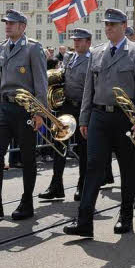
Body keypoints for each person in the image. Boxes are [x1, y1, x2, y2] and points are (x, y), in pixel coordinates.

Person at [63, 8, 135, 238]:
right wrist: (84, 118)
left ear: (124, 25)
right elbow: (88, 90)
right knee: (93, 167)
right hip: (99, 116)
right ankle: (84, 221)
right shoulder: (97, 52)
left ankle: (126, 216)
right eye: (106, 24)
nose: (108, 28)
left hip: (126, 118)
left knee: (127, 168)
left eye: (113, 24)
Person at [0, 9, 47, 221]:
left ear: (22, 27)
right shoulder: (1, 49)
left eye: (12, 23)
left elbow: (41, 83)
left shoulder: (33, 48)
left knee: (27, 157)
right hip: (5, 108)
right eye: (6, 23)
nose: (7, 26)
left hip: (26, 109)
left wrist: (40, 113)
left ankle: (27, 202)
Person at [39, 27, 91, 202]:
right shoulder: (69, 57)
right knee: (58, 145)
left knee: (83, 150)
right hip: (67, 106)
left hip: (83, 108)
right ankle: (56, 186)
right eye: (74, 40)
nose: (76, 42)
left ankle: (82, 186)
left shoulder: (92, 60)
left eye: (79, 40)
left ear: (88, 42)